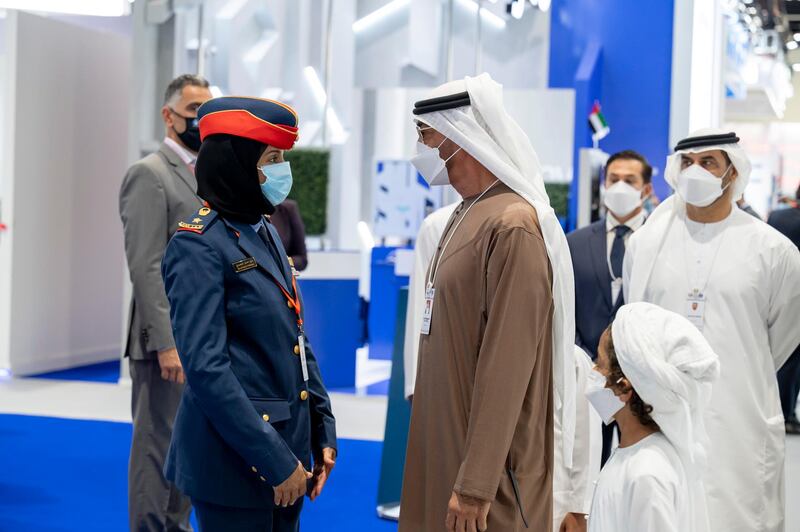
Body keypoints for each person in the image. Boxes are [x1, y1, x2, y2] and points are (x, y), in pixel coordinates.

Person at [399, 73, 577, 532]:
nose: (420, 148)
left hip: (489, 479)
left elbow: (507, 364)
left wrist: (477, 483)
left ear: (458, 135)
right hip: (445, 450)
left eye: (425, 135)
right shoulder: (467, 211)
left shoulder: (512, 224)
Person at [161, 96, 337, 531]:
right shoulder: (198, 244)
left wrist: (322, 426)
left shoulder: (265, 230)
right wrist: (274, 459)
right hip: (236, 462)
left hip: (287, 448)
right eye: (272, 158)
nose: (282, 170)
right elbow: (206, 370)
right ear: (234, 162)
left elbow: (296, 335)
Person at [624, 129, 800, 532]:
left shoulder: (773, 251)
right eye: (687, 163)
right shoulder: (647, 244)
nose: (695, 171)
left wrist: (739, 370)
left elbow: (784, 335)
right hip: (664, 415)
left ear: (731, 172)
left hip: (740, 416)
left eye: (708, 163)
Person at [404, 204, 599, 532]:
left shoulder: (518, 225)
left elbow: (576, 432)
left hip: (524, 481)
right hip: (454, 436)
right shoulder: (443, 224)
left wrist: (577, 505)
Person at [119, 73, 211, 532]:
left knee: (187, 447)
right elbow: (146, 266)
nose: (201, 119)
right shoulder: (149, 175)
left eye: (206, 110)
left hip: (201, 342)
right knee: (156, 449)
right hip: (165, 344)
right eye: (194, 110)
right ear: (168, 115)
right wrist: (167, 342)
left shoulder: (203, 176)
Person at [587, 302, 719, 532]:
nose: (593, 371)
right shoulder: (631, 455)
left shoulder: (648, 474)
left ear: (624, 388)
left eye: (599, 363)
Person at [568, 149, 653, 465]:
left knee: (641, 466)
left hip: (643, 382)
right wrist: (588, 364)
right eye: (613, 179)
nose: (619, 186)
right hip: (588, 377)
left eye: (629, 180)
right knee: (587, 467)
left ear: (646, 189)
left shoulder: (657, 243)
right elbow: (565, 307)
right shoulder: (575, 243)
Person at [402, 201, 458, 400]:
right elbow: (421, 305)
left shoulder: (537, 220)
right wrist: (414, 384)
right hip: (446, 377)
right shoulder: (437, 225)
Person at [768, 183, 800, 435]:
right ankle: (786, 412)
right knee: (793, 359)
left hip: (774, 292)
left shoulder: (777, 216)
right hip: (795, 296)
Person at [270, 199, 309, 271]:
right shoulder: (243, 211)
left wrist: (279, 263)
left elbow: (302, 259)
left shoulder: (287, 209)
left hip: (279, 279)